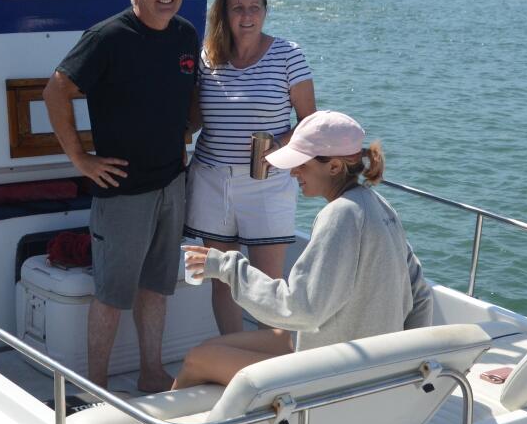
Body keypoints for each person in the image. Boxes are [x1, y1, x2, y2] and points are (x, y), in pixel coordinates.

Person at [174, 111, 433, 389]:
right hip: (368, 365)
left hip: (329, 375)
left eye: (301, 164)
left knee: (197, 358)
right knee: (231, 343)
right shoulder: (381, 206)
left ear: (334, 167)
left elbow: (300, 309)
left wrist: (224, 266)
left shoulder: (340, 215)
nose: (293, 171)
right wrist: (405, 368)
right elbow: (421, 295)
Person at [43, 0, 199, 393]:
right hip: (122, 190)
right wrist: (80, 158)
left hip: (172, 182)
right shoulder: (108, 37)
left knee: (157, 287)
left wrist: (189, 125)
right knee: (112, 294)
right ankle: (96, 385)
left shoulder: (186, 34)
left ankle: (151, 372)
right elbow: (56, 91)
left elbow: (191, 87)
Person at [185, 0, 316, 335]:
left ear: (265, 11)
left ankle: (268, 363)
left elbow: (309, 121)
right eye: (238, 8)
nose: (247, 16)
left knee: (267, 283)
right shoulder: (207, 59)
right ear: (223, 13)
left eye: (254, 8)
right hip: (211, 179)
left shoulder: (288, 55)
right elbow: (194, 120)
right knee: (222, 279)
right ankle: (233, 354)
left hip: (267, 181)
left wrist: (278, 145)